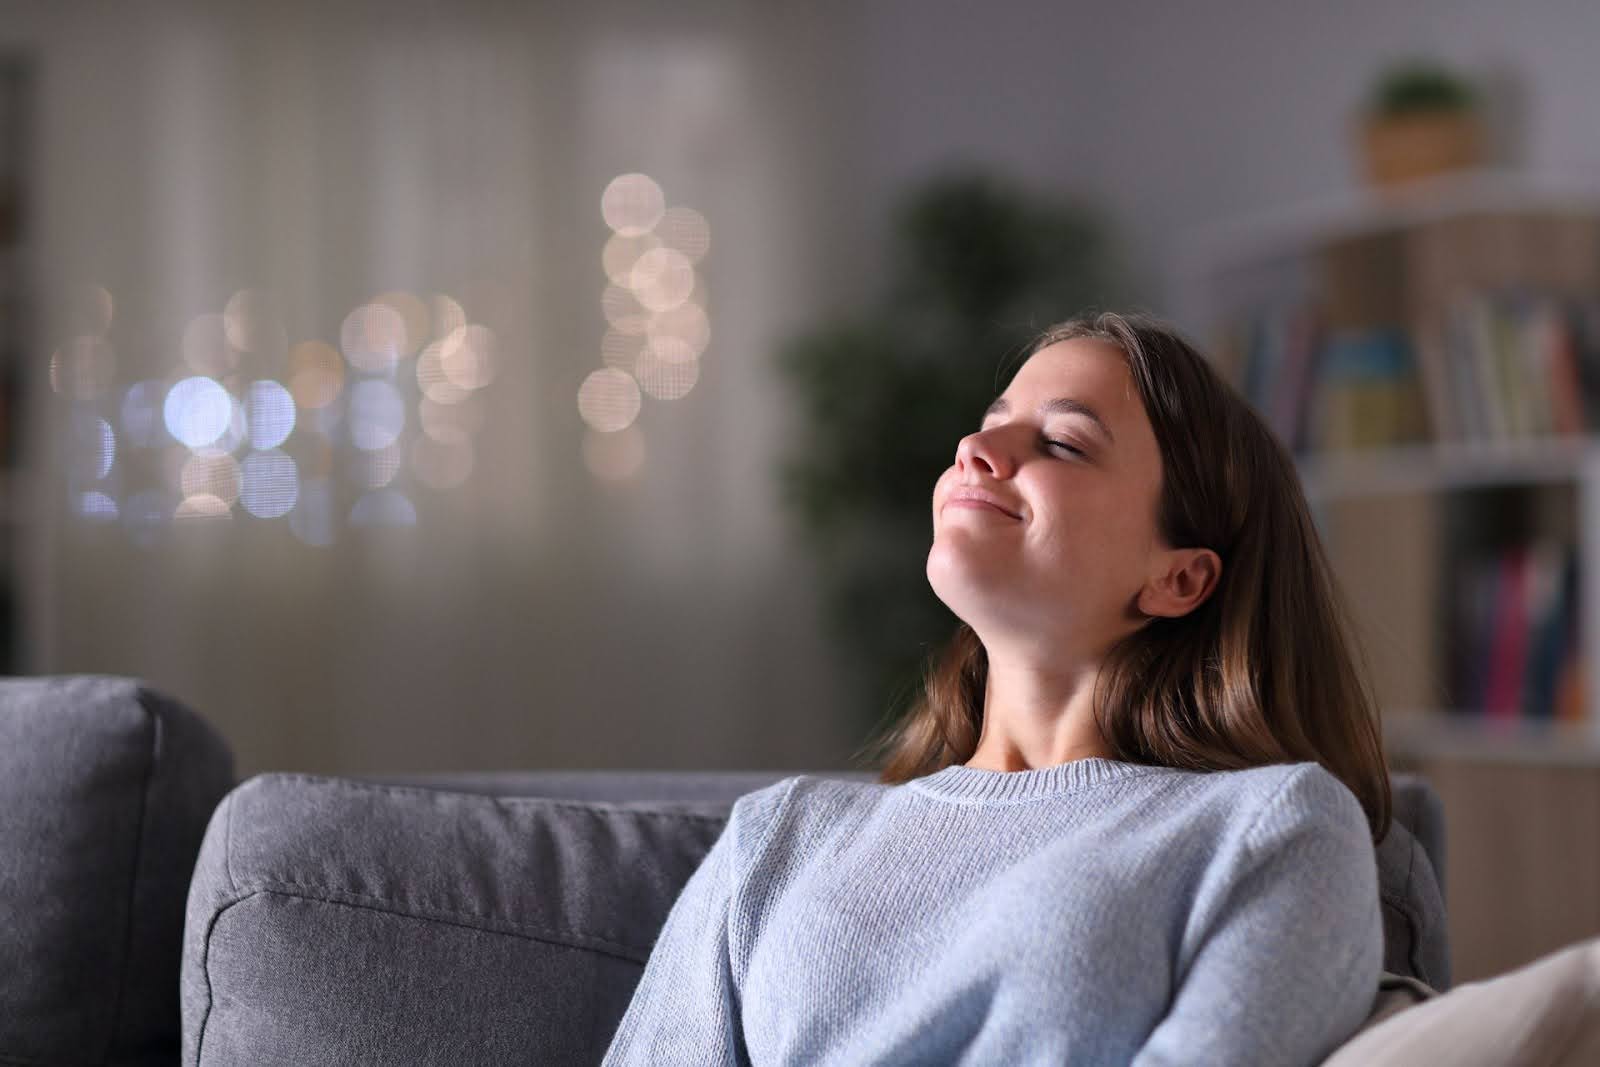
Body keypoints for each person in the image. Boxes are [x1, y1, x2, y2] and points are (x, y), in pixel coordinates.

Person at [602, 310, 1389, 1066]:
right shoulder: (777, 837)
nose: (975, 446)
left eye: (1063, 442)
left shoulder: (1275, 829)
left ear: (1179, 577)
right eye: (992, 418)